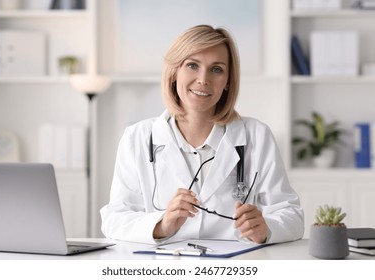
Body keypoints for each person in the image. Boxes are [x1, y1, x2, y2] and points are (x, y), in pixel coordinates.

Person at [100, 25, 304, 245]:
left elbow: (291, 215)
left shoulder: (256, 135)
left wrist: (265, 229)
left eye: (216, 69)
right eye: (192, 65)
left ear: (227, 82)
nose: (203, 79)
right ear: (174, 73)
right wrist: (161, 225)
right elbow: (115, 219)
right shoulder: (137, 138)